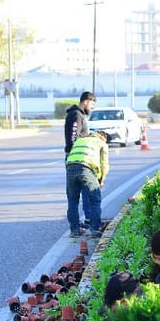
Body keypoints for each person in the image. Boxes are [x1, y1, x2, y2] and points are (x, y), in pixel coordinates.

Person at [65, 130, 109, 238]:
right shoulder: (101, 143)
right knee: (95, 200)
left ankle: (74, 230)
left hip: (70, 168)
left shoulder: (80, 140)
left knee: (72, 200)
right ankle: (95, 228)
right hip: (86, 168)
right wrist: (101, 180)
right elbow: (104, 164)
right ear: (103, 138)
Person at [64, 91, 96, 227]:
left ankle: (77, 227)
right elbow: (73, 137)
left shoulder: (77, 114)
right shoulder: (76, 115)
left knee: (75, 194)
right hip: (78, 158)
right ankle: (89, 220)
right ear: (86, 101)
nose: (92, 108)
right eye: (92, 105)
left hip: (74, 158)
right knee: (83, 191)